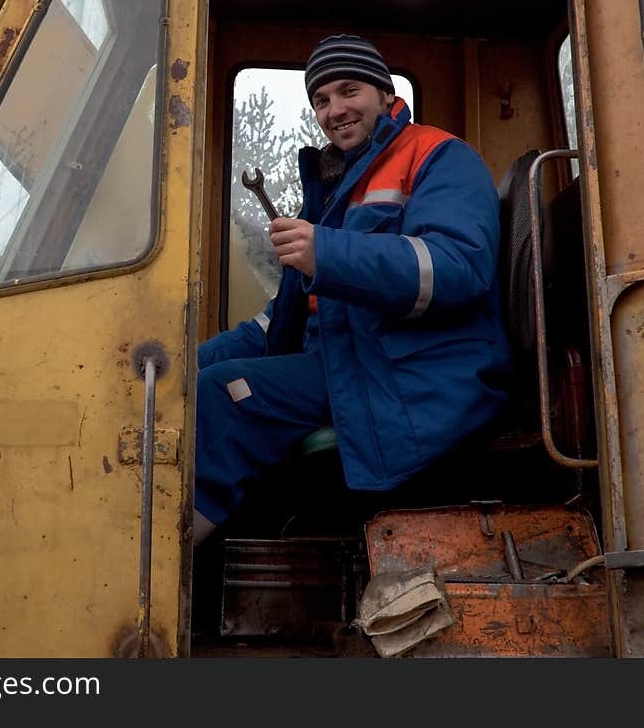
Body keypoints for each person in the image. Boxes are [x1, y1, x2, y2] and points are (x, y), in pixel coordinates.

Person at [193, 34, 512, 544]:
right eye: (321, 100)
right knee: (200, 382)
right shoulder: (343, 186)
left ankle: (161, 575)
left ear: (385, 93)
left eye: (349, 91)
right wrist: (186, 365)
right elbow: (291, 318)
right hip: (356, 360)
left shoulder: (440, 157)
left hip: (421, 372)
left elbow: (458, 268)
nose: (334, 110)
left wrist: (329, 253)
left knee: (226, 395)